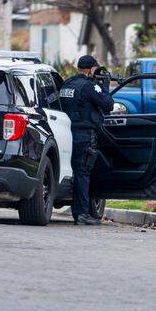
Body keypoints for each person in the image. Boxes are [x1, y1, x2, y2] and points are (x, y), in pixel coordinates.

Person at [59, 54, 114, 225]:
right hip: (83, 135)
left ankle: (78, 210)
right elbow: (109, 105)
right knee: (83, 173)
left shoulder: (67, 84)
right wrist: (104, 86)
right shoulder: (89, 86)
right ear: (91, 70)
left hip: (65, 134)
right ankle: (81, 214)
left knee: (72, 172)